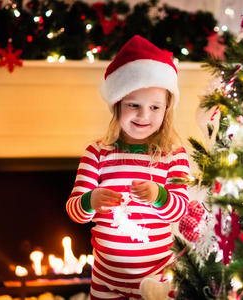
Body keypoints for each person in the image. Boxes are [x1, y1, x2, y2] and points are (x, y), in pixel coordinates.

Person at [66, 35, 190, 300]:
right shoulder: (96, 153)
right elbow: (75, 210)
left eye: (154, 107)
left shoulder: (173, 155)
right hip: (105, 282)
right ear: (118, 105)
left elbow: (181, 210)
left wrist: (160, 196)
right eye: (134, 105)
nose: (144, 115)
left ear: (166, 110)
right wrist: (91, 200)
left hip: (157, 280)